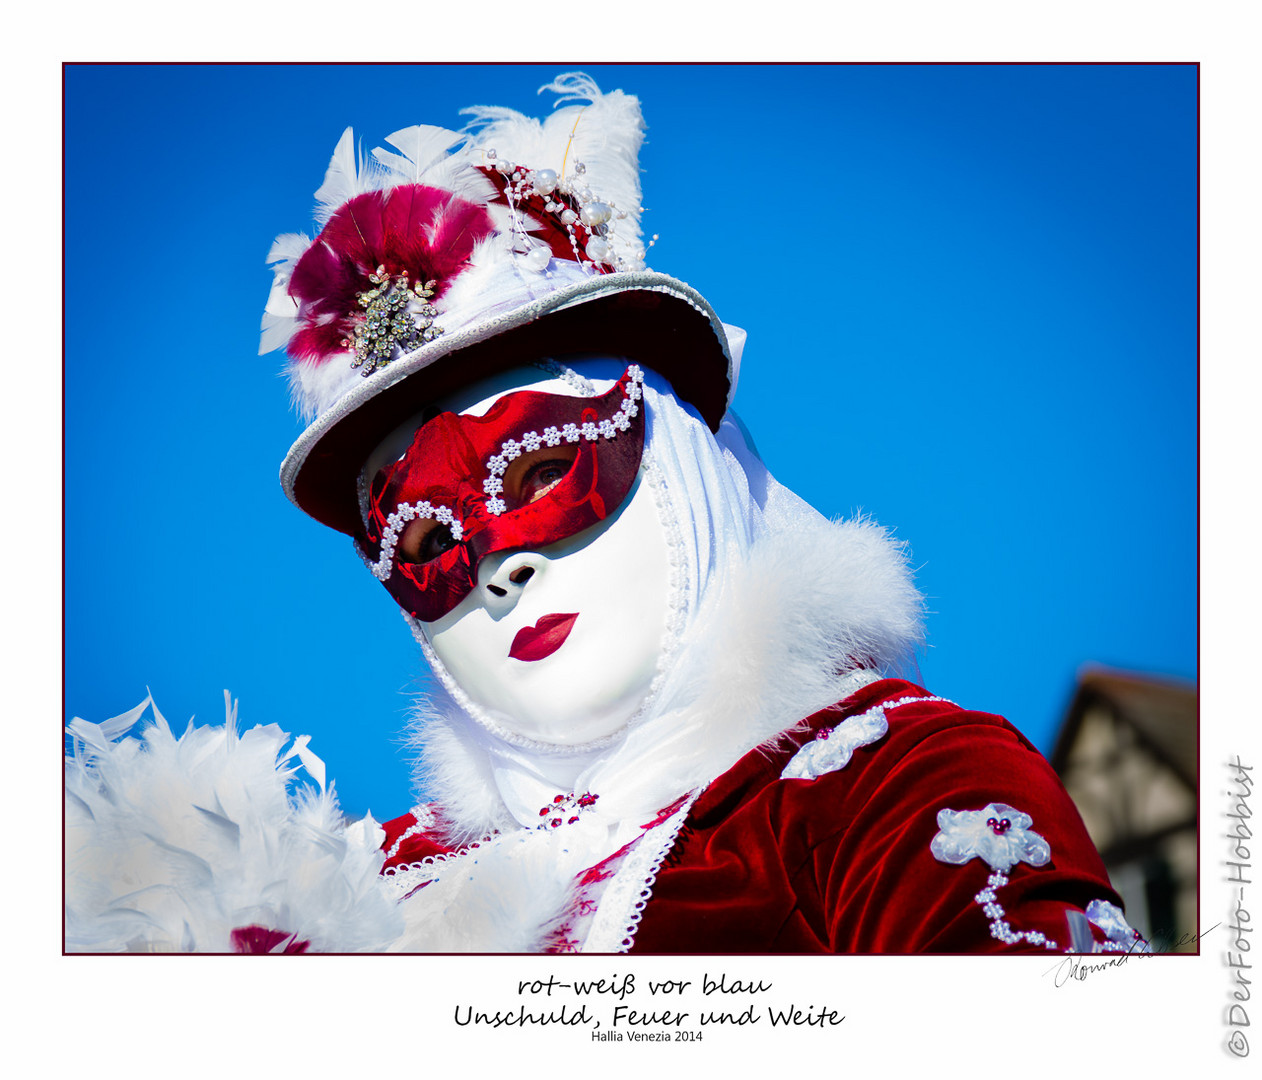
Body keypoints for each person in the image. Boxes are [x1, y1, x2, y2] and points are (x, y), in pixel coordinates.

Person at [65, 73, 1143, 955]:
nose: (500, 571)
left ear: (684, 462)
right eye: (428, 541)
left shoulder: (879, 787)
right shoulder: (361, 884)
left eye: (536, 471)